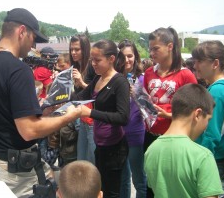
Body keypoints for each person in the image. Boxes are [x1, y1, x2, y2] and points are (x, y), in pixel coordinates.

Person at [0, 8, 82, 197]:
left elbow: (2, 112)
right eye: (33, 38)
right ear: (22, 31)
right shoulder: (18, 69)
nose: (33, 45)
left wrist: (43, 112)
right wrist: (71, 115)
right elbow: (29, 130)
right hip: (15, 170)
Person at [143, 27, 198, 197]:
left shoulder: (185, 75)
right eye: (150, 48)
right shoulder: (148, 73)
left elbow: (196, 109)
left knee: (172, 185)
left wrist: (168, 115)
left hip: (174, 137)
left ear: (170, 46)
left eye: (155, 48)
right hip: (150, 135)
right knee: (151, 184)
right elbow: (145, 101)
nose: (152, 53)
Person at [144, 83, 224, 197]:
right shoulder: (203, 156)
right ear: (198, 114)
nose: (206, 125)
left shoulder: (151, 150)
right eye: (208, 119)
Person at [73, 39, 130, 197]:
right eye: (92, 59)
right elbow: (80, 97)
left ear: (111, 59)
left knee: (111, 192)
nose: (93, 64)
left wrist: (90, 113)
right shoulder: (98, 79)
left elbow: (123, 117)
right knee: (102, 188)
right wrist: (60, 101)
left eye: (97, 60)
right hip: (100, 144)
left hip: (114, 148)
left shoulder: (120, 82)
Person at [192, 40, 224, 192]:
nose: (195, 66)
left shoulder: (217, 92)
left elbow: (211, 133)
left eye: (200, 61)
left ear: (215, 63)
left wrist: (200, 163)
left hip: (214, 160)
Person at [116, 39, 146, 198]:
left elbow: (148, 108)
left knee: (139, 179)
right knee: (123, 178)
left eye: (130, 56)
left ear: (135, 57)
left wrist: (136, 94)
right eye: (123, 56)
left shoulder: (142, 79)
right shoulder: (114, 78)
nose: (127, 60)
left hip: (135, 134)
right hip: (118, 135)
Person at [69, 34, 96, 165]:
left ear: (85, 49)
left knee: (91, 162)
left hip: (93, 121)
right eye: (71, 49)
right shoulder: (75, 67)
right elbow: (76, 96)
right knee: (81, 160)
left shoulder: (92, 65)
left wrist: (81, 82)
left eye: (77, 49)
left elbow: (98, 93)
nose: (73, 52)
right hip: (82, 118)